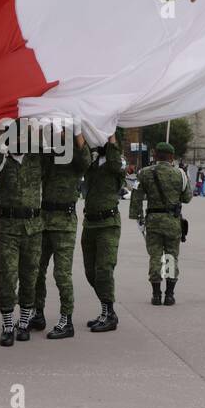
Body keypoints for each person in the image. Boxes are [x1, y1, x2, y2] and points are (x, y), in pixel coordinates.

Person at [0, 118, 44, 345]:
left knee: (30, 277)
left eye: (22, 135)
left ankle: (24, 323)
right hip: (8, 228)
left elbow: (44, 138)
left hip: (33, 228)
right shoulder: (0, 162)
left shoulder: (36, 159)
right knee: (8, 277)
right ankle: (8, 325)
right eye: (14, 135)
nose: (19, 139)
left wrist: (32, 121)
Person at [30, 126, 91, 339]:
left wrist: (75, 133)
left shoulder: (77, 157)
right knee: (37, 269)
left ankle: (67, 320)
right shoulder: (49, 153)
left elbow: (86, 161)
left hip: (64, 222)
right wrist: (42, 134)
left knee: (61, 274)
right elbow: (35, 161)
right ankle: (37, 313)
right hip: (44, 219)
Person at [129, 141, 191, 306]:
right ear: (171, 157)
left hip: (153, 221)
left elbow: (136, 197)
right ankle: (169, 295)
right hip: (172, 221)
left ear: (155, 155)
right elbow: (187, 198)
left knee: (155, 256)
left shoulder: (144, 173)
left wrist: (138, 217)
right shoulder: (180, 174)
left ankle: (156, 295)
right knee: (170, 256)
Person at [81, 130, 125, 333]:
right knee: (91, 272)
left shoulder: (114, 164)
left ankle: (109, 312)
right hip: (90, 224)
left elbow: (115, 160)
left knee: (103, 270)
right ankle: (106, 310)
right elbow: (81, 156)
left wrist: (110, 132)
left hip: (108, 223)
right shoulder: (93, 163)